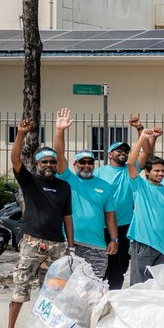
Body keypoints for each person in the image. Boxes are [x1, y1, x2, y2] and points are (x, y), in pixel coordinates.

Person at [3, 118, 74, 328]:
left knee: (51, 294)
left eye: (53, 161)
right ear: (37, 163)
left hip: (56, 246)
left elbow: (67, 217)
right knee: (20, 288)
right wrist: (21, 134)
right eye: (45, 161)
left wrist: (70, 246)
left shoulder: (64, 187)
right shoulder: (29, 181)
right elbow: (15, 159)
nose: (49, 164)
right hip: (32, 244)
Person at [52, 108, 117, 278]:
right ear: (75, 164)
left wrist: (114, 239)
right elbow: (58, 156)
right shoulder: (68, 179)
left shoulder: (105, 186)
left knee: (94, 286)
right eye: (82, 162)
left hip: (97, 246)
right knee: (65, 285)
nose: (86, 165)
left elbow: (110, 215)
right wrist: (59, 131)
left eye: (90, 162)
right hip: (71, 244)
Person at [94, 114, 144, 289]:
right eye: (118, 150)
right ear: (109, 154)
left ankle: (114, 296)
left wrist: (140, 129)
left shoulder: (131, 169)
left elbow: (147, 152)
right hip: (101, 226)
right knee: (101, 265)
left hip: (125, 226)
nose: (123, 153)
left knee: (120, 265)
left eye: (125, 151)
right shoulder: (99, 173)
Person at [125, 130, 164, 285]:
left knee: (159, 286)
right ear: (147, 172)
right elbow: (130, 163)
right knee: (140, 285)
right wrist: (142, 138)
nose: (161, 174)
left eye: (163, 171)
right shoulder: (140, 185)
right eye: (157, 171)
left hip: (162, 247)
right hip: (143, 243)